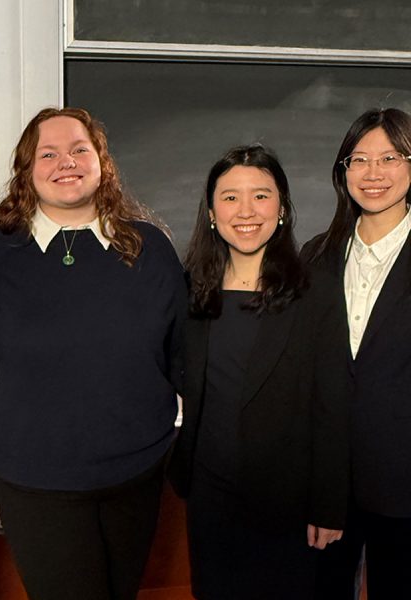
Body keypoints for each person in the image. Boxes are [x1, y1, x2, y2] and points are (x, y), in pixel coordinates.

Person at [0, 107, 185, 600]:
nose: (65, 162)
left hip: (137, 474)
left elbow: (183, 358)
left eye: (78, 150)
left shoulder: (149, 247)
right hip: (36, 482)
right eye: (47, 154)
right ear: (27, 170)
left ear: (101, 162)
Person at [169, 144, 350, 600]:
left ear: (282, 208)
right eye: (230, 197)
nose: (245, 210)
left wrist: (329, 507)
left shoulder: (318, 294)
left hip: (287, 507)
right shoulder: (190, 292)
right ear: (211, 212)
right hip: (209, 500)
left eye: (261, 195)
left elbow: (332, 407)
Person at [304, 108, 411, 600]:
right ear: (342, 170)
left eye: (390, 158)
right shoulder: (315, 257)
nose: (374, 173)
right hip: (328, 489)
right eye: (359, 159)